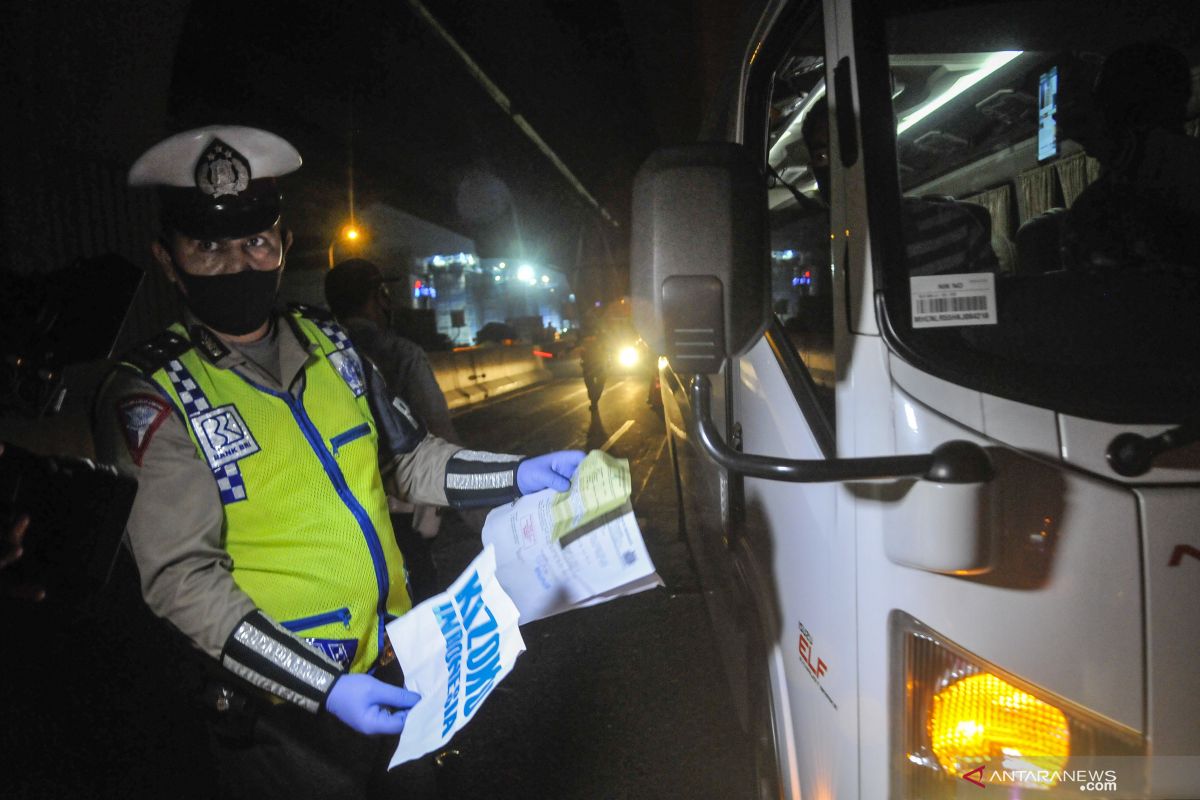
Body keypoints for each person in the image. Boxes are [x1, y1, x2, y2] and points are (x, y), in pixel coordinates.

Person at [93, 125, 585, 799]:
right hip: (282, 712)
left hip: (395, 662)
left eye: (256, 243)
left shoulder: (328, 345)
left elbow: (407, 461)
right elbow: (183, 582)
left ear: (284, 245)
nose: (238, 265)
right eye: (208, 248)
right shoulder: (153, 394)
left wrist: (518, 473)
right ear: (166, 257)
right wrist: (324, 688)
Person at [324, 257, 458, 602]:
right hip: (403, 516)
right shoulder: (402, 354)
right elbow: (440, 437)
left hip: (344, 519)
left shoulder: (318, 355)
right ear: (379, 298)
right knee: (422, 611)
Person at [802, 96, 998, 276]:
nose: (842, 169)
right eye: (823, 156)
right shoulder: (808, 249)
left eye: (852, 152)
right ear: (812, 169)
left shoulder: (958, 229)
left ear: (885, 151)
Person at [577, 307, 609, 411]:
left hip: (600, 360)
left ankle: (594, 400)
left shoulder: (600, 330)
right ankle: (593, 400)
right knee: (590, 383)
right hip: (588, 361)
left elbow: (607, 342)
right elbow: (578, 342)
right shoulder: (582, 331)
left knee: (600, 381)